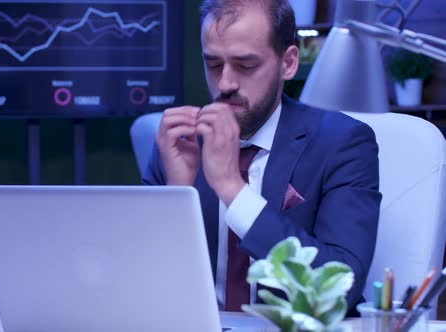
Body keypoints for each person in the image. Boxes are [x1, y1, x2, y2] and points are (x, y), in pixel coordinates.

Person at [143, 0, 381, 315]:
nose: (225, 83)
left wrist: (232, 188)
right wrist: (177, 194)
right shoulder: (180, 144)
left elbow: (340, 289)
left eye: (246, 65)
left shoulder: (343, 144)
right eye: (214, 64)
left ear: (289, 62)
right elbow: (145, 284)